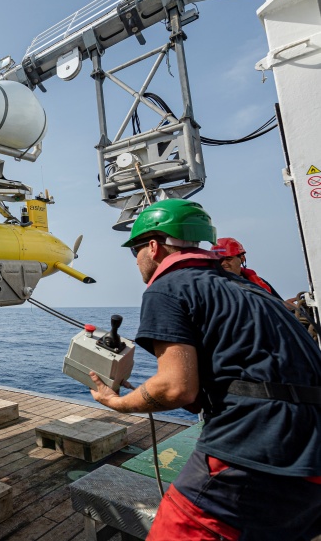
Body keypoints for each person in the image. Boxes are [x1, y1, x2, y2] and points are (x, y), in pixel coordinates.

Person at [88, 198, 321, 540]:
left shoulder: (168, 287)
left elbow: (175, 388)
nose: (136, 260)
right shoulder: (256, 290)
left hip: (257, 451)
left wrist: (118, 402)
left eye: (134, 250)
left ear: (153, 247)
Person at [210, 236, 281, 297]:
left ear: (242, 258)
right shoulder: (210, 284)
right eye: (219, 260)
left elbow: (277, 304)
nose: (223, 263)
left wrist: (286, 308)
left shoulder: (257, 282)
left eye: (228, 259)